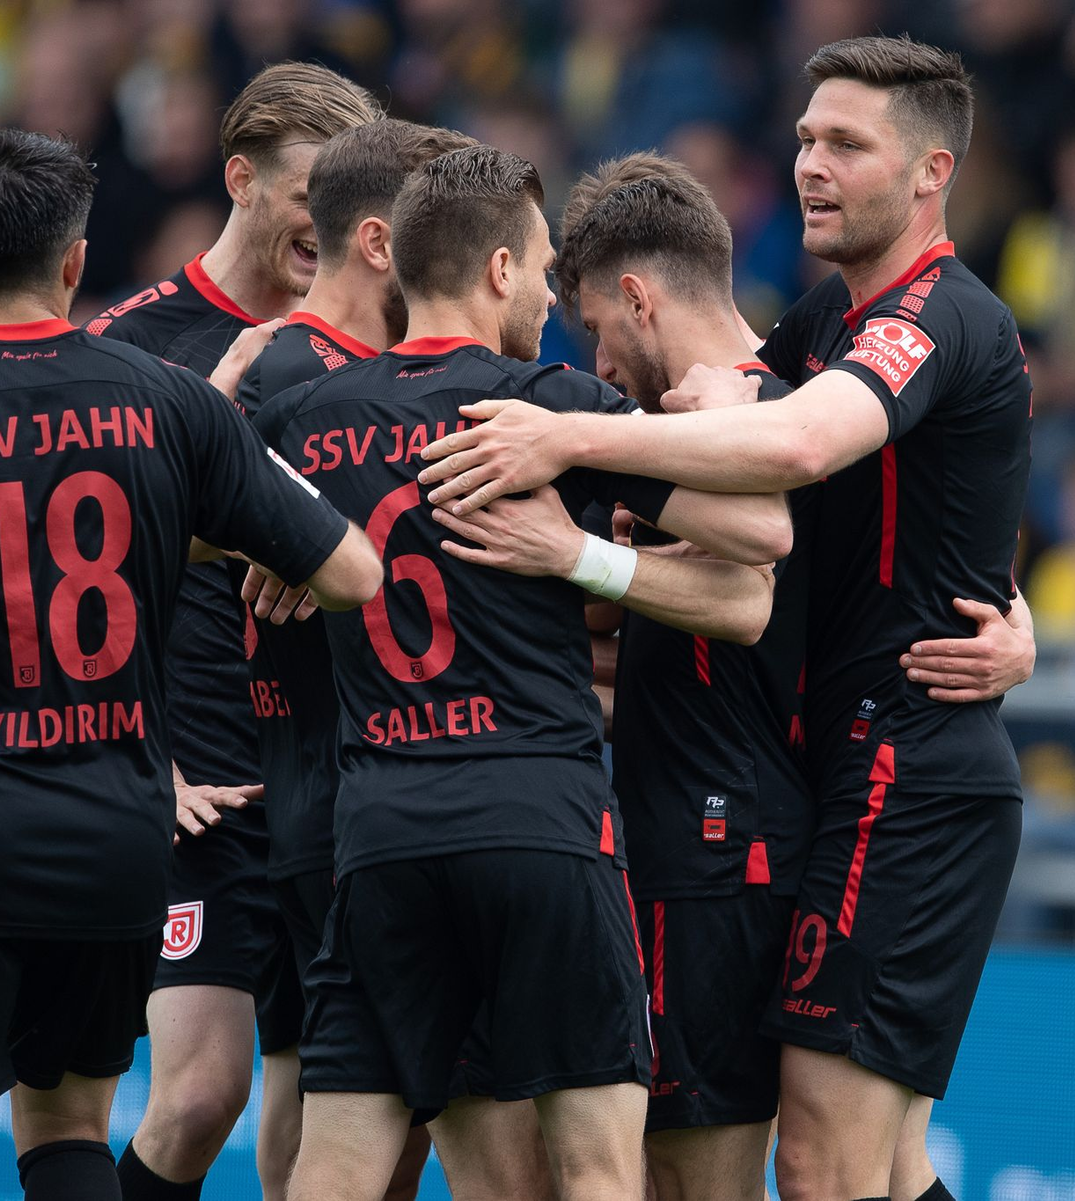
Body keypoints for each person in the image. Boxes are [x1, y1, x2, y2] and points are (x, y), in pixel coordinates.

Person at [418, 37, 1033, 1201]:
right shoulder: (821, 323)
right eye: (805, 138)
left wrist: (572, 436)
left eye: (846, 143)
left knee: (825, 1166)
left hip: (914, 769)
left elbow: (797, 447)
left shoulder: (940, 315)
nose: (811, 164)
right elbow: (786, 415)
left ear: (932, 172)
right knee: (881, 1167)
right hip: (853, 765)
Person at [250, 144, 790, 1201]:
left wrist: (275, 540)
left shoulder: (303, 418)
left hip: (380, 838)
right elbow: (759, 538)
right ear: (499, 269)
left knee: (337, 1170)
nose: (550, 295)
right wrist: (590, 525)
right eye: (542, 267)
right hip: (541, 827)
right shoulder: (545, 407)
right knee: (595, 1168)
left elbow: (183, 521)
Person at [0, 128, 380, 1201]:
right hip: (117, 835)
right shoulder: (172, 402)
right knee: (71, 1130)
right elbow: (354, 571)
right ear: (76, 258)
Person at [84, 62, 386, 1200]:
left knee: (333, 1106)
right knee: (202, 1092)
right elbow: (77, 579)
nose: (333, 224)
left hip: (341, 769)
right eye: (311, 194)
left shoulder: (381, 333)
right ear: (241, 180)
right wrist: (141, 759)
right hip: (200, 773)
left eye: (352, 200)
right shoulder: (131, 348)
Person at [231, 116, 476, 1194]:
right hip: (346, 796)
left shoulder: (332, 372)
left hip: (340, 797)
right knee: (387, 1119)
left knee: (338, 1102)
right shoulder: (292, 372)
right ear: (381, 242)